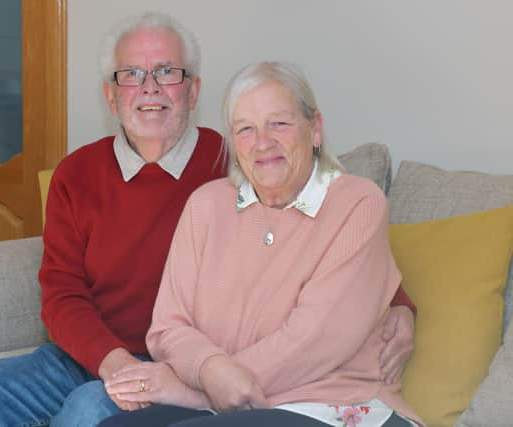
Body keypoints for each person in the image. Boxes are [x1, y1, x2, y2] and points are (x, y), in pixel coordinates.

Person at [0, 13, 416, 427]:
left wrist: (398, 303)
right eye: (132, 74)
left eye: (167, 72)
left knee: (89, 411)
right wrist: (114, 363)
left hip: (182, 360)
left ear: (193, 90)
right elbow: (61, 291)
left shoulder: (237, 159)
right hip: (95, 354)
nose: (150, 88)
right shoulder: (76, 173)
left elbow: (327, 235)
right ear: (111, 96)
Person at [99, 62, 424, 427]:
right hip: (227, 405)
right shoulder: (207, 205)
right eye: (246, 129)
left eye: (279, 124)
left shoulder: (358, 203)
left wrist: (194, 390)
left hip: (331, 406)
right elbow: (167, 328)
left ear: (315, 129)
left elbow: (313, 342)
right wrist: (210, 369)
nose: (263, 142)